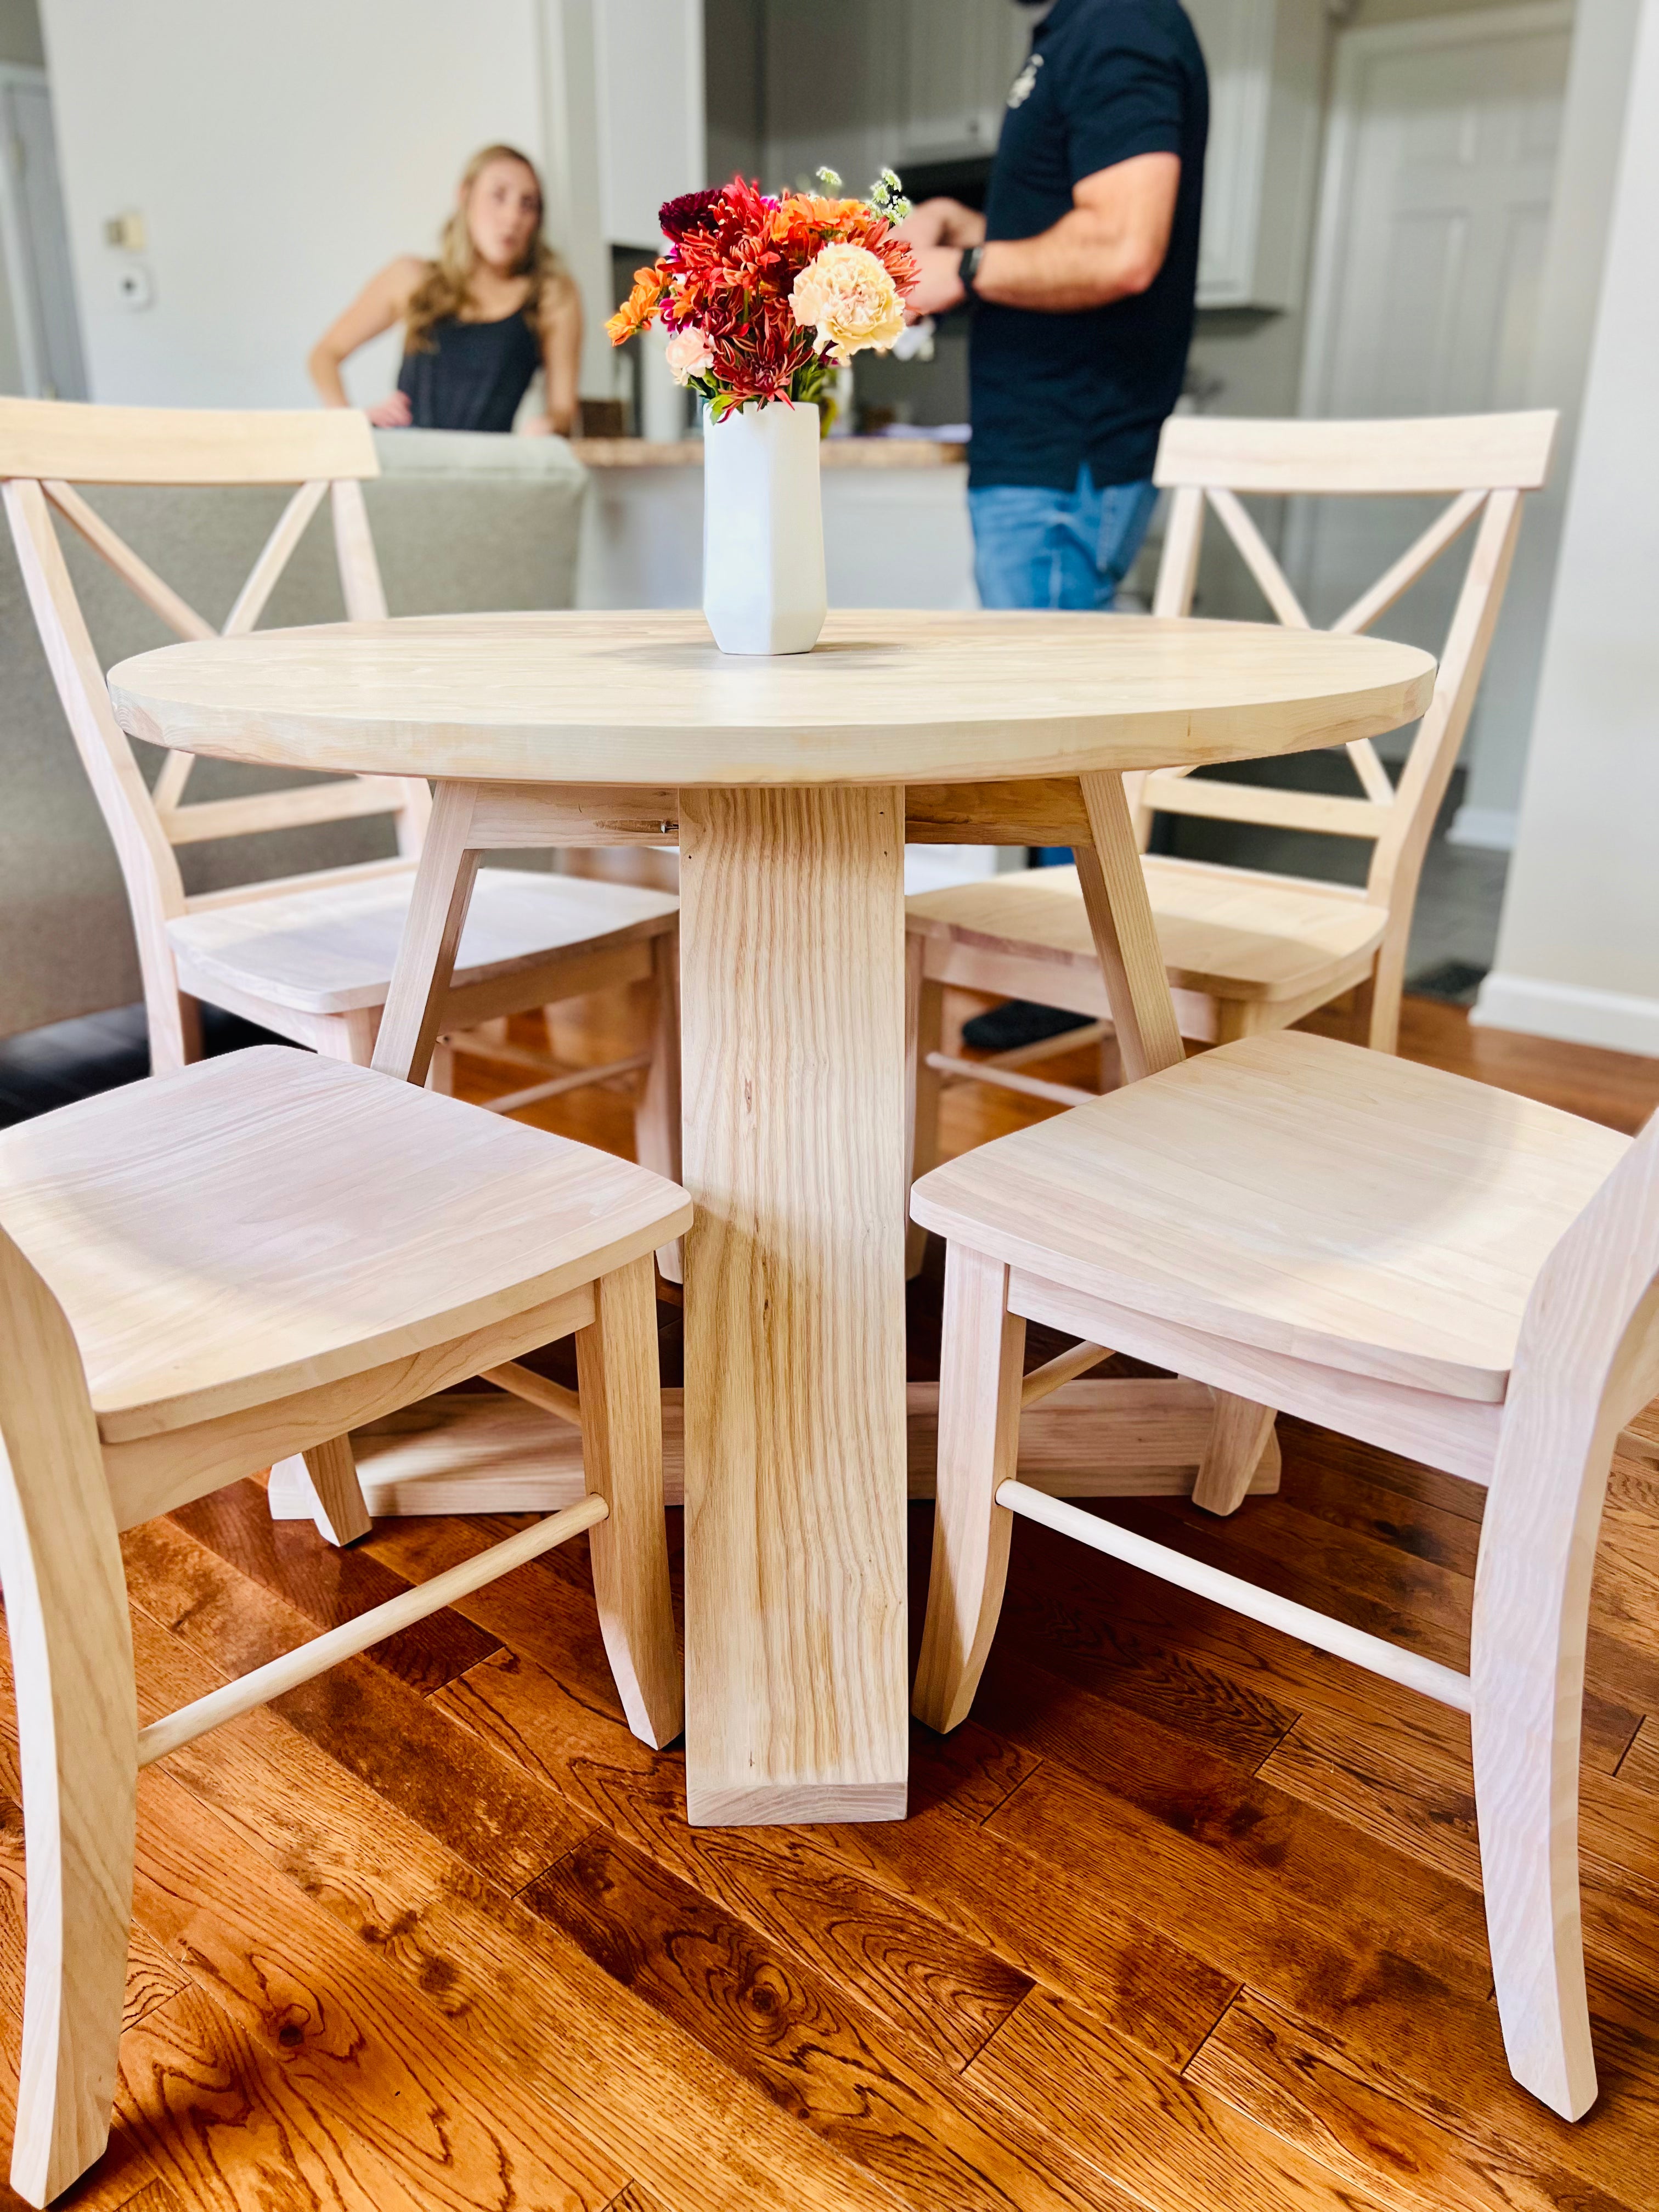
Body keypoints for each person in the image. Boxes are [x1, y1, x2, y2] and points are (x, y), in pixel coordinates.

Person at [899, 0, 1207, 614]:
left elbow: (1122, 248)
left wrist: (964, 268)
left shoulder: (1122, 23)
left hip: (1065, 462)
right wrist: (960, 225)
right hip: (1045, 461)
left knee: (1045, 703)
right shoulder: (1077, 31)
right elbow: (1064, 231)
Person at [309, 144, 582, 435]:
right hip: (408, 465)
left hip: (488, 471)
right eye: (499, 196)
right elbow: (325, 354)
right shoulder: (411, 277)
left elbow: (564, 410)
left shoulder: (551, 297)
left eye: (527, 204)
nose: (512, 217)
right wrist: (349, 424)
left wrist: (547, 426)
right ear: (465, 196)